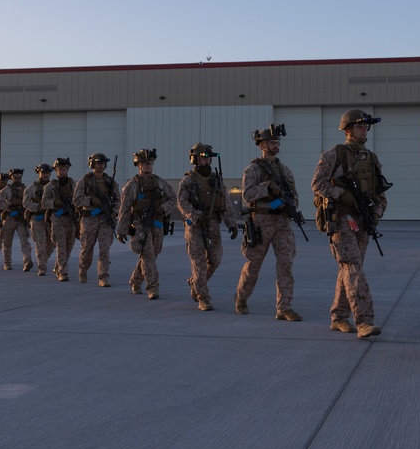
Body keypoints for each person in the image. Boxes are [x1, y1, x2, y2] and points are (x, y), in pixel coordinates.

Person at [311, 110, 389, 338]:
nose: (364, 130)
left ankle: (339, 317)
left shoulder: (371, 158)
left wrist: (376, 213)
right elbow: (317, 184)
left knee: (349, 270)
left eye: (366, 127)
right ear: (347, 130)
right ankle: (364, 321)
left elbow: (381, 195)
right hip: (340, 220)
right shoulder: (333, 155)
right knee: (353, 267)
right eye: (359, 126)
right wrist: (342, 194)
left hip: (363, 221)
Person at [235, 126, 301, 320]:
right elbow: (248, 195)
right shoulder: (253, 169)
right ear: (262, 145)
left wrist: (284, 205)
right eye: (272, 142)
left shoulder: (285, 170)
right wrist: (266, 187)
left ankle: (284, 307)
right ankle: (241, 297)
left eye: (277, 142)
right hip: (261, 222)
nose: (276, 145)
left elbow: (294, 197)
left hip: (282, 222)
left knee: (286, 264)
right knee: (254, 263)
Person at [178, 143, 238, 312]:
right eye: (203, 158)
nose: (206, 161)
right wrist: (196, 216)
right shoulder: (188, 180)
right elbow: (182, 203)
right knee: (199, 263)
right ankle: (203, 298)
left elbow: (225, 202)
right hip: (195, 226)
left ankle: (196, 282)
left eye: (208, 158)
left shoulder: (216, 180)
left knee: (215, 260)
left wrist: (232, 224)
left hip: (212, 224)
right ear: (195, 159)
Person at [116, 149, 176, 300]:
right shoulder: (132, 185)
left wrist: (164, 208)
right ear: (139, 165)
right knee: (148, 255)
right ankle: (152, 288)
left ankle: (135, 281)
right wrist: (122, 230)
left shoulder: (160, 182)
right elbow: (124, 208)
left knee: (152, 254)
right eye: (145, 163)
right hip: (140, 224)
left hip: (157, 224)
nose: (148, 166)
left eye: (150, 163)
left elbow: (173, 199)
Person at [73, 153, 119, 286]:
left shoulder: (110, 181)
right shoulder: (85, 180)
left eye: (103, 163)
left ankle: (103, 276)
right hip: (90, 218)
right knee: (87, 248)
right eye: (98, 163)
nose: (101, 165)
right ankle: (83, 268)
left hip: (105, 219)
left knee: (104, 249)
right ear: (93, 164)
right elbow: (76, 199)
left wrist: (114, 212)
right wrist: (91, 200)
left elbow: (118, 199)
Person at [41, 158, 79, 281]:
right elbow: (44, 203)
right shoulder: (50, 186)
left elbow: (78, 199)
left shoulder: (73, 184)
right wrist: (54, 202)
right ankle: (63, 271)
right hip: (57, 217)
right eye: (60, 169)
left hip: (70, 218)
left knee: (69, 245)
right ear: (56, 171)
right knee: (61, 244)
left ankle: (59, 265)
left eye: (64, 169)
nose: (62, 172)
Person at [0, 169, 34, 272]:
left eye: (19, 176)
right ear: (11, 177)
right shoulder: (6, 190)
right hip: (9, 217)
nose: (17, 177)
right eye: (15, 176)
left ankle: (27, 261)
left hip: (21, 218)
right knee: (7, 242)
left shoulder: (26, 189)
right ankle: (7, 263)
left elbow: (29, 202)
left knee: (25, 241)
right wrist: (9, 206)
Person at [24, 163, 56, 276]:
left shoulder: (54, 186)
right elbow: (25, 203)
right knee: (40, 244)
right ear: (39, 173)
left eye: (47, 173)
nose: (45, 175)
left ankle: (44, 260)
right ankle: (42, 267)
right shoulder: (31, 188)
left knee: (52, 244)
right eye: (43, 172)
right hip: (37, 218)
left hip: (51, 218)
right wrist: (37, 207)